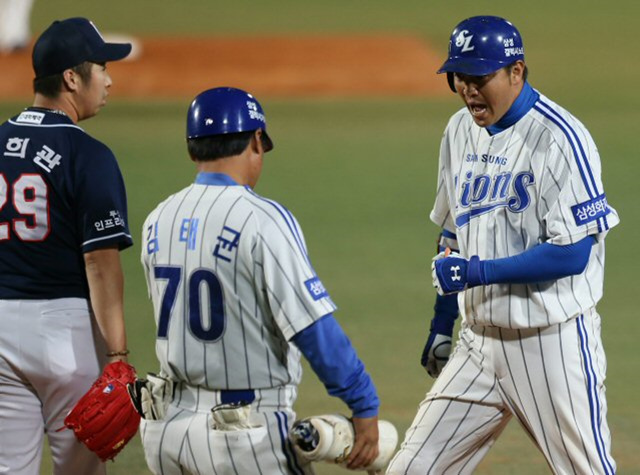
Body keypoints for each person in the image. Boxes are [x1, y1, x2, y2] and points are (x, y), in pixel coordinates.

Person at [387, 15, 618, 475]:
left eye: (481, 77)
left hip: (550, 344)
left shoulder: (560, 138)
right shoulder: (458, 130)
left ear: (517, 71)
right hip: (476, 345)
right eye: (460, 77)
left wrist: (478, 273)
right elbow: (453, 234)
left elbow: (574, 253)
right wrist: (442, 320)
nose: (469, 90)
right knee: (411, 469)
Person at [138, 86, 380, 474]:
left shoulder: (157, 218)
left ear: (191, 149)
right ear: (256, 141)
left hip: (165, 430)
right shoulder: (262, 219)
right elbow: (313, 327)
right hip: (242, 436)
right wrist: (363, 402)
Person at [0, 17, 133, 474]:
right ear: (73, 79)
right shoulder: (88, 154)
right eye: (101, 67)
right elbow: (99, 261)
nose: (109, 79)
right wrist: (117, 355)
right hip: (64, 335)